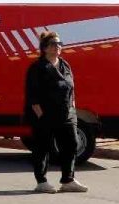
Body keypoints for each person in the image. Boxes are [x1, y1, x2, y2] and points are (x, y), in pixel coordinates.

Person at [25, 31, 88, 193]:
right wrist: (41, 117)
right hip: (45, 116)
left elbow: (71, 87)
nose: (58, 47)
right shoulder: (37, 68)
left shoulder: (65, 65)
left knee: (72, 144)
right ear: (45, 48)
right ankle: (41, 182)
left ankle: (68, 180)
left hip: (67, 115)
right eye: (53, 44)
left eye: (60, 44)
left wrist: (73, 107)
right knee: (42, 148)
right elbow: (33, 96)